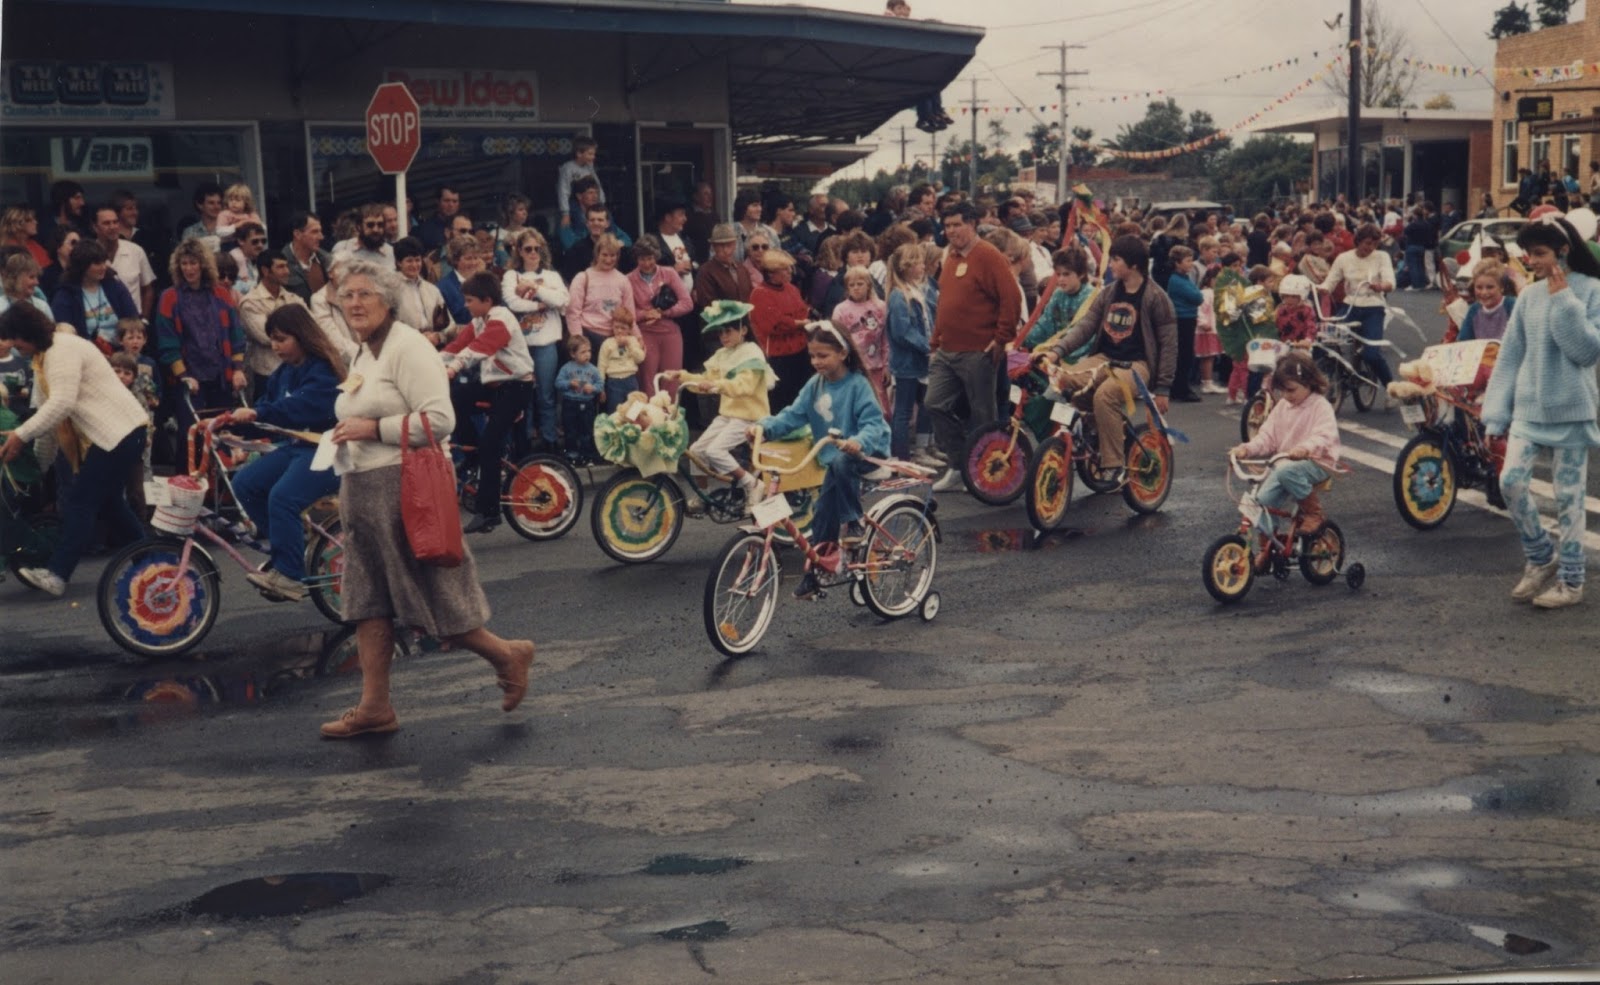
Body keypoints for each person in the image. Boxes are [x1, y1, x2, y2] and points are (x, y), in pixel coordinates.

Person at [319, 258, 535, 737]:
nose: (354, 303)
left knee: (436, 601)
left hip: (404, 489)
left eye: (364, 294)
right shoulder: (363, 352)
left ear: (387, 301)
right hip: (361, 487)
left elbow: (440, 422)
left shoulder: (407, 347)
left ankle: (508, 655)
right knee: (367, 602)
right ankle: (375, 708)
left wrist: (372, 428)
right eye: (347, 295)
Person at [1481, 216, 1600, 610]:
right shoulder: (1529, 297)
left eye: (1539, 253)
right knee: (1510, 483)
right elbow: (1510, 356)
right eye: (1528, 253)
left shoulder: (1591, 291)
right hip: (1529, 411)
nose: (1531, 261)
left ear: (1563, 251)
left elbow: (1585, 352)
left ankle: (1571, 580)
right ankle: (1539, 555)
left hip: (1572, 411)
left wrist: (1564, 301)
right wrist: (1496, 414)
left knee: (1569, 499)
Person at [0, 304, 149, 597]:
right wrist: (37, 472)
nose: (17, 348)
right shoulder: (42, 360)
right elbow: (49, 424)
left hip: (120, 433)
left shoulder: (62, 349)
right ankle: (150, 560)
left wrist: (20, 435)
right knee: (110, 506)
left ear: (28, 334)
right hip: (116, 436)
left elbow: (61, 405)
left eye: (17, 341)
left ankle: (57, 573)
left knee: (80, 501)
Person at [749, 322, 890, 600]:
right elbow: (792, 415)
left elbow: (874, 424)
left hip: (866, 453)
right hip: (836, 461)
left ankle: (853, 522)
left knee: (841, 463)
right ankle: (815, 573)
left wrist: (859, 441)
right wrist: (764, 428)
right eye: (812, 356)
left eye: (823, 355)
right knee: (822, 515)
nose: (816, 362)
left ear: (842, 353)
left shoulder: (858, 385)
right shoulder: (815, 386)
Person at [226, 306, 344, 601]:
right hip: (297, 447)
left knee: (283, 497)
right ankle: (290, 545)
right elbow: (267, 413)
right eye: (272, 340)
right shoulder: (284, 372)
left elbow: (297, 408)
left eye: (281, 339)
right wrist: (234, 428)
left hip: (328, 450)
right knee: (244, 484)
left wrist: (254, 413)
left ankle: (291, 575)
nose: (275, 346)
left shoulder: (323, 370)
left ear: (302, 336)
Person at [1040, 234, 1176, 486]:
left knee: (1105, 396)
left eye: (1115, 259)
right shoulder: (1108, 293)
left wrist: (1163, 388)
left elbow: (1169, 345)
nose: (1109, 264)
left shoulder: (1156, 297)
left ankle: (1114, 464)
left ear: (1133, 265)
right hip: (1105, 358)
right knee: (1066, 379)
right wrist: (1056, 351)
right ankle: (1094, 438)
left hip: (1137, 366)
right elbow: (1085, 326)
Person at [926, 203, 1020, 491]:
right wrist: (935, 340)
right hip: (947, 349)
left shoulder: (988, 256)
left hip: (978, 350)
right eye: (947, 226)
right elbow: (945, 303)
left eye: (956, 225)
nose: (951, 231)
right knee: (934, 404)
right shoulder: (951, 257)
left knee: (983, 414)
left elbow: (1011, 298)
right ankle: (958, 464)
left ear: (972, 224)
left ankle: (984, 471)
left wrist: (1001, 338)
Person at [441, 271, 535, 534]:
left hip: (517, 388)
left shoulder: (500, 319)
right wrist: (430, 364)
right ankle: (472, 457)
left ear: (487, 300)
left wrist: (455, 367)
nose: (465, 305)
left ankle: (489, 512)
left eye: (470, 300)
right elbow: (457, 346)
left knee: (491, 444)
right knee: (456, 397)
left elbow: (479, 348)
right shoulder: (480, 320)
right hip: (494, 387)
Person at [1229, 351, 1342, 564]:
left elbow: (1324, 436)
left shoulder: (1320, 406)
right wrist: (1247, 449)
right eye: (1282, 391)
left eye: (1291, 390)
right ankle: (1268, 547)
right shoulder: (1282, 406)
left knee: (1285, 470)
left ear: (1308, 382)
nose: (1287, 396)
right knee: (1262, 502)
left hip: (1317, 461)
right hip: (1286, 464)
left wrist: (1305, 448)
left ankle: (1314, 513)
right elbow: (1267, 436)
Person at [670, 300, 773, 504]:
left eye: (729, 331)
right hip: (728, 415)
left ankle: (752, 484)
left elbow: (745, 386)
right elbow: (705, 380)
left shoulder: (752, 352)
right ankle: (703, 495)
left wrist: (718, 384)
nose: (723, 336)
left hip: (750, 416)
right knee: (697, 451)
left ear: (743, 330)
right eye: (721, 332)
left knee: (715, 451)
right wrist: (681, 376)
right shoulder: (723, 354)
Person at [154, 238, 248, 431]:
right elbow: (166, 342)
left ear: (203, 265)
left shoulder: (221, 294)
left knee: (223, 433)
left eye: (193, 263)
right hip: (189, 379)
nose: (189, 269)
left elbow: (236, 335)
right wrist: (183, 376)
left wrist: (238, 369)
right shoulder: (169, 297)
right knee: (192, 434)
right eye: (184, 263)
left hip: (221, 376)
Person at [500, 228, 568, 450]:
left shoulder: (552, 275)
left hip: (546, 344)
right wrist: (538, 304)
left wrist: (534, 288)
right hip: (521, 347)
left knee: (546, 396)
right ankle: (525, 442)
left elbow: (562, 301)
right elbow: (512, 303)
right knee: (524, 398)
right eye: (528, 249)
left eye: (537, 249)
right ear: (519, 251)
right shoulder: (511, 275)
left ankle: (549, 441)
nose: (533, 253)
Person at [1317, 223, 1396, 397]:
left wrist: (1382, 285)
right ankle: (1330, 379)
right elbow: (1331, 281)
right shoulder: (1343, 258)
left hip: (1373, 307)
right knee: (1326, 341)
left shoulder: (1381, 256)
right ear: (1358, 240)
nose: (1371, 248)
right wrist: (1321, 288)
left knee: (1372, 354)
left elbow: (1390, 281)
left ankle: (1391, 389)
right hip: (1349, 306)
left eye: (1375, 244)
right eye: (1367, 243)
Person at [884, 242, 937, 462]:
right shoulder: (898, 296)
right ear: (906, 267)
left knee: (926, 404)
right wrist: (928, 347)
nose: (923, 266)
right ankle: (902, 457)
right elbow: (902, 332)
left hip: (919, 362)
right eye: (918, 262)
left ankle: (922, 450)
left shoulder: (917, 291)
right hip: (907, 364)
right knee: (903, 411)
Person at [626, 236, 691, 398]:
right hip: (645, 333)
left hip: (670, 332)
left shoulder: (668, 273)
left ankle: (670, 420)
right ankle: (650, 420)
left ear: (656, 257)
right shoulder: (628, 279)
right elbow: (628, 312)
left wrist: (664, 313)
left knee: (671, 379)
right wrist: (645, 314)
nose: (647, 263)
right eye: (642, 259)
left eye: (650, 258)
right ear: (636, 259)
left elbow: (687, 303)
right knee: (648, 381)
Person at [749, 248, 811, 413]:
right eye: (784, 269)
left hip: (801, 351)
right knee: (782, 401)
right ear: (771, 273)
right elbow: (774, 325)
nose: (790, 271)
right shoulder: (759, 294)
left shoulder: (791, 288)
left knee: (803, 397)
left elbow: (803, 310)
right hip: (780, 357)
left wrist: (798, 321)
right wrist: (799, 323)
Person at [239, 252, 308, 395]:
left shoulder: (293, 298)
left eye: (287, 266)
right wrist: (298, 329)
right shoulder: (250, 302)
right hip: (267, 374)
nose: (287, 271)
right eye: (281, 267)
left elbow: (312, 329)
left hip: (297, 370)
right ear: (265, 271)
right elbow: (267, 336)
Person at [50, 239, 140, 350]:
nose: (104, 267)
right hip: (86, 352)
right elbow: (65, 335)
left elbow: (132, 319)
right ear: (82, 266)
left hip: (122, 351)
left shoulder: (114, 285)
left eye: (104, 261)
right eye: (97, 263)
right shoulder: (65, 295)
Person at [829, 265, 890, 411]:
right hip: (853, 367)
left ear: (868, 285)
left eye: (860, 284)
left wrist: (887, 365)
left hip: (876, 366)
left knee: (880, 406)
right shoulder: (841, 309)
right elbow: (836, 340)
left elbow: (886, 339)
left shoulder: (880, 306)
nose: (856, 288)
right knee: (855, 404)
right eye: (852, 285)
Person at [565, 233, 636, 355]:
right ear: (597, 254)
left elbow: (630, 315)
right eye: (604, 254)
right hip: (589, 337)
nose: (608, 259)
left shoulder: (623, 280)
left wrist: (637, 338)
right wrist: (579, 343)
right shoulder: (582, 278)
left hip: (616, 338)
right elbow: (572, 313)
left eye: (613, 255)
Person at [92, 204, 156, 319]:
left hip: (132, 325)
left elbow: (148, 289)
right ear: (95, 227)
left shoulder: (136, 251)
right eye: (106, 223)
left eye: (115, 222)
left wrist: (144, 320)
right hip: (100, 324)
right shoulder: (88, 254)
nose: (112, 227)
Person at [1163, 245, 1204, 402]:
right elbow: (1197, 297)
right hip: (1183, 319)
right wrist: (1197, 294)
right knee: (1184, 354)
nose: (1191, 263)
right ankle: (1181, 388)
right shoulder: (1176, 280)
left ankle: (1181, 386)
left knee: (1185, 354)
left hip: (1188, 317)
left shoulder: (1184, 278)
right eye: (1187, 260)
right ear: (1177, 263)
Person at [555, 335, 603, 464]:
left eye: (589, 351)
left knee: (586, 430)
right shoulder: (566, 368)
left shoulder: (593, 369)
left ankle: (587, 455)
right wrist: (570, 384)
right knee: (570, 430)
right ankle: (572, 455)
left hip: (587, 404)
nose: (587, 355)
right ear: (572, 353)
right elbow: (558, 383)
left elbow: (600, 384)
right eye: (583, 352)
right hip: (570, 403)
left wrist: (592, 388)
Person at [597, 305, 644, 411]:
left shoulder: (633, 341)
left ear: (630, 329)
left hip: (631, 379)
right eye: (616, 327)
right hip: (614, 382)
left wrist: (629, 345)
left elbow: (640, 358)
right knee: (615, 410)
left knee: (633, 411)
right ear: (612, 326)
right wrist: (601, 387)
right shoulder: (607, 343)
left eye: (623, 328)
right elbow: (602, 366)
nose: (619, 331)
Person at [1456, 260, 1516, 343]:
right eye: (1479, 287)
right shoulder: (1474, 309)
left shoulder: (1512, 305)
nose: (1484, 292)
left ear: (1501, 287)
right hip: (1481, 353)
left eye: (1490, 287)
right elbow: (1464, 340)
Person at [281, 212, 331, 304]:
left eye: (320, 231)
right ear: (297, 234)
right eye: (315, 232)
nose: (321, 237)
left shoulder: (328, 260)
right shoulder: (279, 265)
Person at [556, 137, 603, 231]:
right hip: (574, 203)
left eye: (594, 154)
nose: (593, 157)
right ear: (579, 154)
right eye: (590, 154)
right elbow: (563, 191)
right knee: (581, 220)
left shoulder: (589, 168)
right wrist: (565, 213)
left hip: (590, 204)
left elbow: (598, 185)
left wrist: (601, 202)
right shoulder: (568, 168)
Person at [418, 185, 464, 252]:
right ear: (437, 201)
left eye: (455, 201)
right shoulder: (424, 230)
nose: (451, 205)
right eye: (446, 201)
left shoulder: (465, 227)